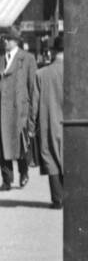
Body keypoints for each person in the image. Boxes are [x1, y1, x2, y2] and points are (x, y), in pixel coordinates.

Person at [0, 23, 37, 191]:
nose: (4, 41)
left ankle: (24, 173)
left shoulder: (27, 59)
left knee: (21, 145)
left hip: (19, 111)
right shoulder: (0, 58)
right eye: (3, 38)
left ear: (16, 40)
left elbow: (32, 88)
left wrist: (31, 115)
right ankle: (7, 180)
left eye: (7, 38)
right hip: (2, 111)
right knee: (2, 146)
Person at [33, 33, 64, 208]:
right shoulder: (78, 73)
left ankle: (58, 199)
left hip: (48, 121)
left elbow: (34, 105)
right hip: (71, 122)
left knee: (51, 157)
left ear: (53, 51)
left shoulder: (41, 74)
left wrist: (31, 125)